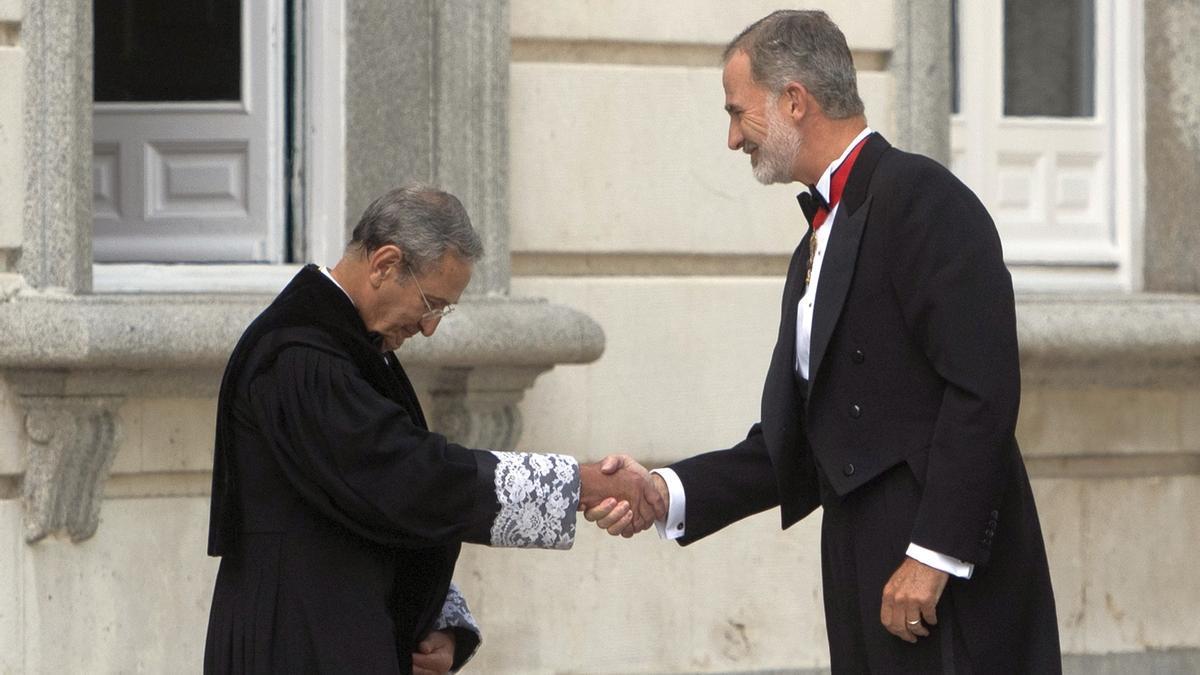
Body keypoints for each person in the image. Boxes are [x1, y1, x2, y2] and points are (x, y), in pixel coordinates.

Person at [586, 10, 1061, 674]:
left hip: (943, 580)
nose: (731, 138)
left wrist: (934, 554)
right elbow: (808, 435)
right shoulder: (817, 239)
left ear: (794, 100)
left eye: (737, 111)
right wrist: (669, 489)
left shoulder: (924, 198)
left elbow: (983, 388)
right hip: (860, 563)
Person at [204, 184, 662, 674]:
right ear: (384, 264)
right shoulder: (299, 358)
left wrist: (443, 625)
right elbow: (409, 479)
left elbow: (384, 509)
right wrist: (577, 484)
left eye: (442, 311)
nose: (428, 328)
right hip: (295, 642)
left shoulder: (353, 345)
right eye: (431, 303)